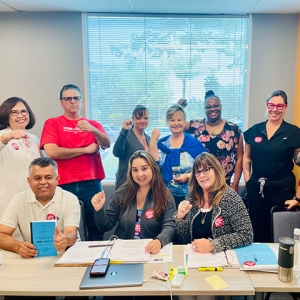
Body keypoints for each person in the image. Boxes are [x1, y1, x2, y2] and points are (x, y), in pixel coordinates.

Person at [40, 84, 110, 241]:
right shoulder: (53, 123)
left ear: (81, 102)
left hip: (91, 182)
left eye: (76, 98)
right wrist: (86, 150)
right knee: (63, 226)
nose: (72, 101)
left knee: (95, 226)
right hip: (63, 182)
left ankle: (95, 259)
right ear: (61, 103)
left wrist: (93, 130)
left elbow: (106, 144)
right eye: (68, 98)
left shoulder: (93, 124)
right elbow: (51, 152)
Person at [243, 90, 300, 242]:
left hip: (282, 190)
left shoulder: (294, 133)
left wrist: (298, 198)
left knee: (280, 232)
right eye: (271, 105)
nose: (275, 109)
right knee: (256, 229)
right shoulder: (254, 131)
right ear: (267, 105)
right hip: (257, 188)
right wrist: (248, 181)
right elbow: (246, 156)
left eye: (279, 106)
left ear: (285, 107)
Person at [92, 150, 176, 252]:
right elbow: (105, 226)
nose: (140, 174)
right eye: (135, 170)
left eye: (144, 168)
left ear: (153, 169)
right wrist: (98, 209)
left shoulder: (165, 195)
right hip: (125, 251)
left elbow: (169, 226)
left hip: (152, 250)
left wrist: (159, 241)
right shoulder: (121, 194)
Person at [0, 157, 80, 257]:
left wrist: (65, 240)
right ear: (29, 181)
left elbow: (72, 234)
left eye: (48, 177)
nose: (43, 182)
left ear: (57, 179)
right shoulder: (18, 200)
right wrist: (18, 246)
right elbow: (2, 234)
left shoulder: (70, 199)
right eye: (37, 178)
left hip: (65, 255)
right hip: (31, 256)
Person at [175, 152, 253, 253]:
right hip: (195, 257)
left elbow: (247, 234)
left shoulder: (230, 198)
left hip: (223, 259)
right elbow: (184, 237)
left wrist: (214, 245)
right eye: (198, 172)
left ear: (216, 171)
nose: (202, 175)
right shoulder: (192, 198)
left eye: (206, 169)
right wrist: (180, 218)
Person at [179, 91, 244, 192]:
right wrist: (179, 108)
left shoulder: (233, 129)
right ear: (204, 109)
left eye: (216, 105)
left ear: (221, 107)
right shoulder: (197, 125)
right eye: (208, 107)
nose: (212, 109)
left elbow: (240, 158)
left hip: (224, 185)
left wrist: (235, 184)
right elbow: (176, 125)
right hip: (200, 183)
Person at [149, 104, 207, 207]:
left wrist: (189, 176)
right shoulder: (162, 145)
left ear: (184, 122)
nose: (176, 123)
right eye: (172, 120)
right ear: (167, 122)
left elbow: (207, 167)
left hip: (193, 195)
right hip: (167, 196)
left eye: (179, 120)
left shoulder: (193, 143)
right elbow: (155, 166)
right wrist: (153, 141)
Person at [0, 97, 43, 220]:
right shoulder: (2, 135)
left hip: (33, 197)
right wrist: (6, 138)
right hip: (8, 199)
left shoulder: (33, 138)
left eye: (24, 111)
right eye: (14, 112)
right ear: (5, 115)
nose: (21, 115)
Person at [113, 105, 150, 190]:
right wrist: (124, 130)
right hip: (126, 185)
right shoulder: (126, 135)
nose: (142, 121)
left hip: (142, 185)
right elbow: (116, 152)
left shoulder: (149, 138)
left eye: (145, 118)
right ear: (133, 119)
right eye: (139, 118)